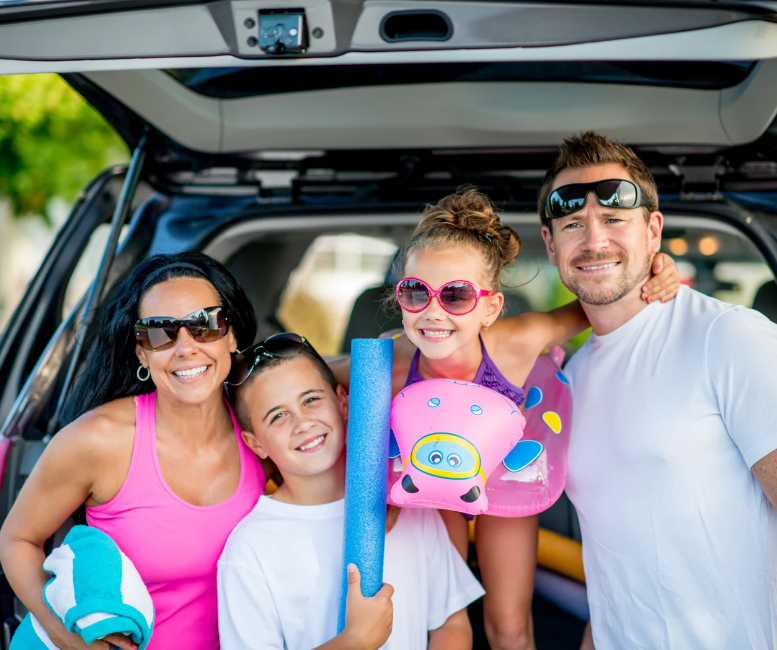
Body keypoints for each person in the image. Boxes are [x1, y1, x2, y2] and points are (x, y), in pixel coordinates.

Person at [329, 188, 681, 650]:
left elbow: (599, 302)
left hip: (505, 479)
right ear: (400, 299)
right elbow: (305, 373)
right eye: (416, 292)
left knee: (508, 625)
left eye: (456, 295)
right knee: (444, 617)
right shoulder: (389, 358)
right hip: (430, 475)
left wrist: (657, 271)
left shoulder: (517, 340)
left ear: (491, 308)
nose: (433, 312)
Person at [538, 131, 777, 650]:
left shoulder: (727, 337)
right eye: (574, 224)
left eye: (614, 220)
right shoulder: (568, 382)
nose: (594, 240)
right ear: (550, 244)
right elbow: (620, 569)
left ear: (653, 232)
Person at [0, 252, 266, 650]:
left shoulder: (265, 422)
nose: (185, 347)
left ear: (231, 334)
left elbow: (340, 375)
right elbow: (16, 540)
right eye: (159, 333)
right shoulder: (99, 440)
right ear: (141, 353)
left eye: (205, 325)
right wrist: (69, 638)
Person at [218, 333, 484, 650]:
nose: (303, 423)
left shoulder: (405, 503)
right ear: (255, 443)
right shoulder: (250, 550)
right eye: (278, 416)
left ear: (344, 401)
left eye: (311, 400)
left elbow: (451, 624)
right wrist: (353, 642)